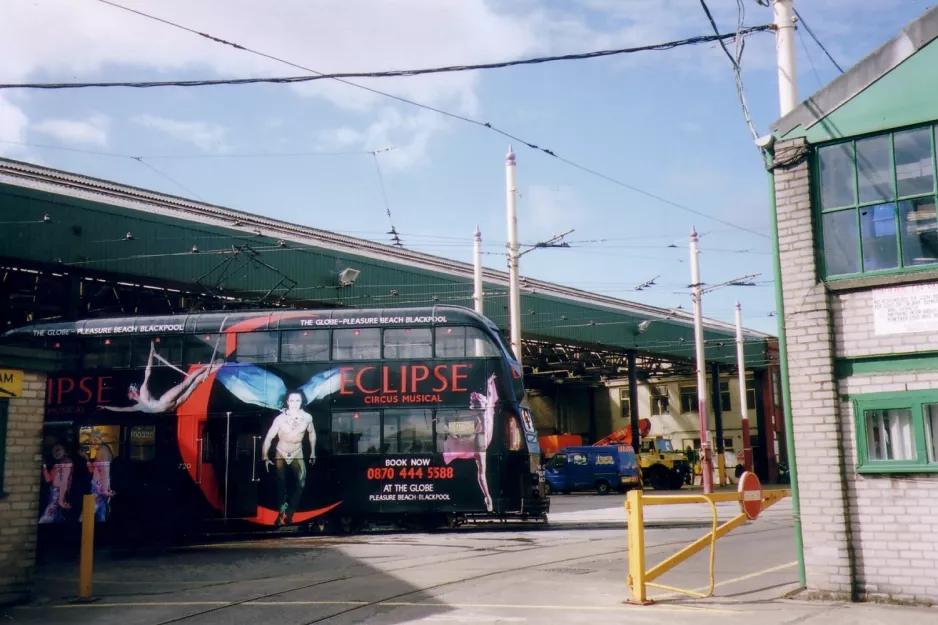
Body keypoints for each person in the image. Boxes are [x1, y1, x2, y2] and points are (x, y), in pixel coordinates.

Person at [101, 342, 222, 414]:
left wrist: (151, 356)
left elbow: (148, 371)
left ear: (133, 391)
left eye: (128, 392)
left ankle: (210, 366)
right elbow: (121, 409)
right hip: (170, 407)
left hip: (165, 403)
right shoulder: (137, 406)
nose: (127, 395)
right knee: (193, 384)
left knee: (189, 382)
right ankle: (214, 367)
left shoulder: (143, 392)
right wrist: (106, 407)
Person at [443, 373, 498, 512]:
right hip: (480, 440)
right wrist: (489, 382)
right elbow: (490, 396)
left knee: (481, 473)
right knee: (481, 473)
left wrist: (489, 382)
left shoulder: (481, 412)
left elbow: (490, 396)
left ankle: (488, 497)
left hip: (480, 440)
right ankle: (488, 498)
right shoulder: (483, 412)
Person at [261, 391, 316, 527]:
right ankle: (280, 514)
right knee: (281, 484)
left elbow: (312, 433)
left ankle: (290, 513)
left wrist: (313, 451)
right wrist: (265, 456)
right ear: (287, 402)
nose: (295, 403)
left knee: (301, 483)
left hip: (298, 451)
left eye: (298, 401)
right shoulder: (280, 419)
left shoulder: (307, 417)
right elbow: (268, 438)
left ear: (301, 402)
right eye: (292, 401)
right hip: (281, 452)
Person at [79, 429, 116, 522]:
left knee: (86, 516)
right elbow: (94, 470)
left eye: (95, 440)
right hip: (101, 487)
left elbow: (104, 473)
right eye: (90, 442)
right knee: (101, 514)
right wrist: (86, 458)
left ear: (101, 440)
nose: (93, 443)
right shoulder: (102, 450)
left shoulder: (102, 451)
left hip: (98, 488)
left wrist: (104, 490)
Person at [39, 443, 73, 524]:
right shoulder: (57, 465)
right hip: (53, 492)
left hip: (59, 493)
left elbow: (64, 481)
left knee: (47, 516)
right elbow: (48, 479)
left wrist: (61, 499)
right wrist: (44, 466)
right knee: (57, 516)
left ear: (65, 450)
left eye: (58, 450)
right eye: (53, 451)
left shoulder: (67, 463)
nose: (55, 453)